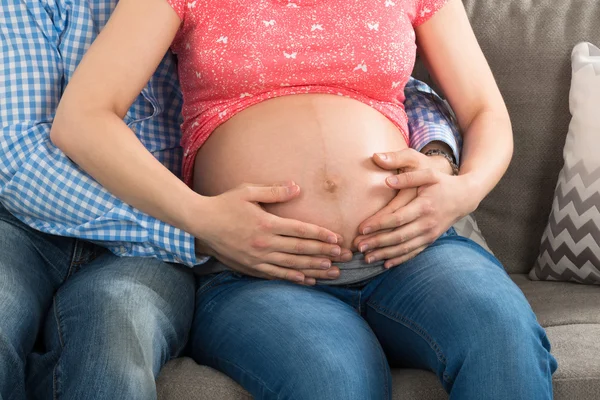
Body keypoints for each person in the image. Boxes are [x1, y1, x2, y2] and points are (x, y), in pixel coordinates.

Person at [50, 0, 559, 398]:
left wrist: (462, 190)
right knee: (334, 373)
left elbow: (485, 111)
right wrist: (198, 216)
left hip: (412, 255)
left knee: (503, 335)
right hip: (259, 275)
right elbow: (83, 119)